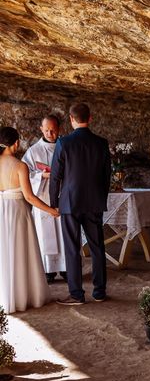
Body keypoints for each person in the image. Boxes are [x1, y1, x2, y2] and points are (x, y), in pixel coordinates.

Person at [50, 103, 111, 305]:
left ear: (71, 119)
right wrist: (101, 197)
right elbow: (106, 175)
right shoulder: (101, 143)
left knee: (72, 248)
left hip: (69, 202)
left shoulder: (64, 143)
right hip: (94, 202)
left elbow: (55, 177)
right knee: (97, 247)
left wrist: (53, 203)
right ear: (90, 118)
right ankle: (100, 292)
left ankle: (76, 294)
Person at [0, 127, 58, 313]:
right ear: (16, 143)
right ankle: (23, 295)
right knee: (19, 251)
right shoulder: (19, 166)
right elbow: (30, 197)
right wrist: (51, 210)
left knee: (4, 252)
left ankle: (5, 296)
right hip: (17, 213)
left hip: (1, 211)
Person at [22, 115, 67, 283]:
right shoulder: (33, 151)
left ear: (59, 129)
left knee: (64, 233)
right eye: (46, 130)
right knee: (44, 234)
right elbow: (26, 174)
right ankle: (47, 270)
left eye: (53, 130)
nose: (50, 133)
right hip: (43, 198)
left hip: (63, 196)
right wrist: (42, 175)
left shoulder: (66, 147)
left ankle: (66, 268)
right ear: (41, 129)